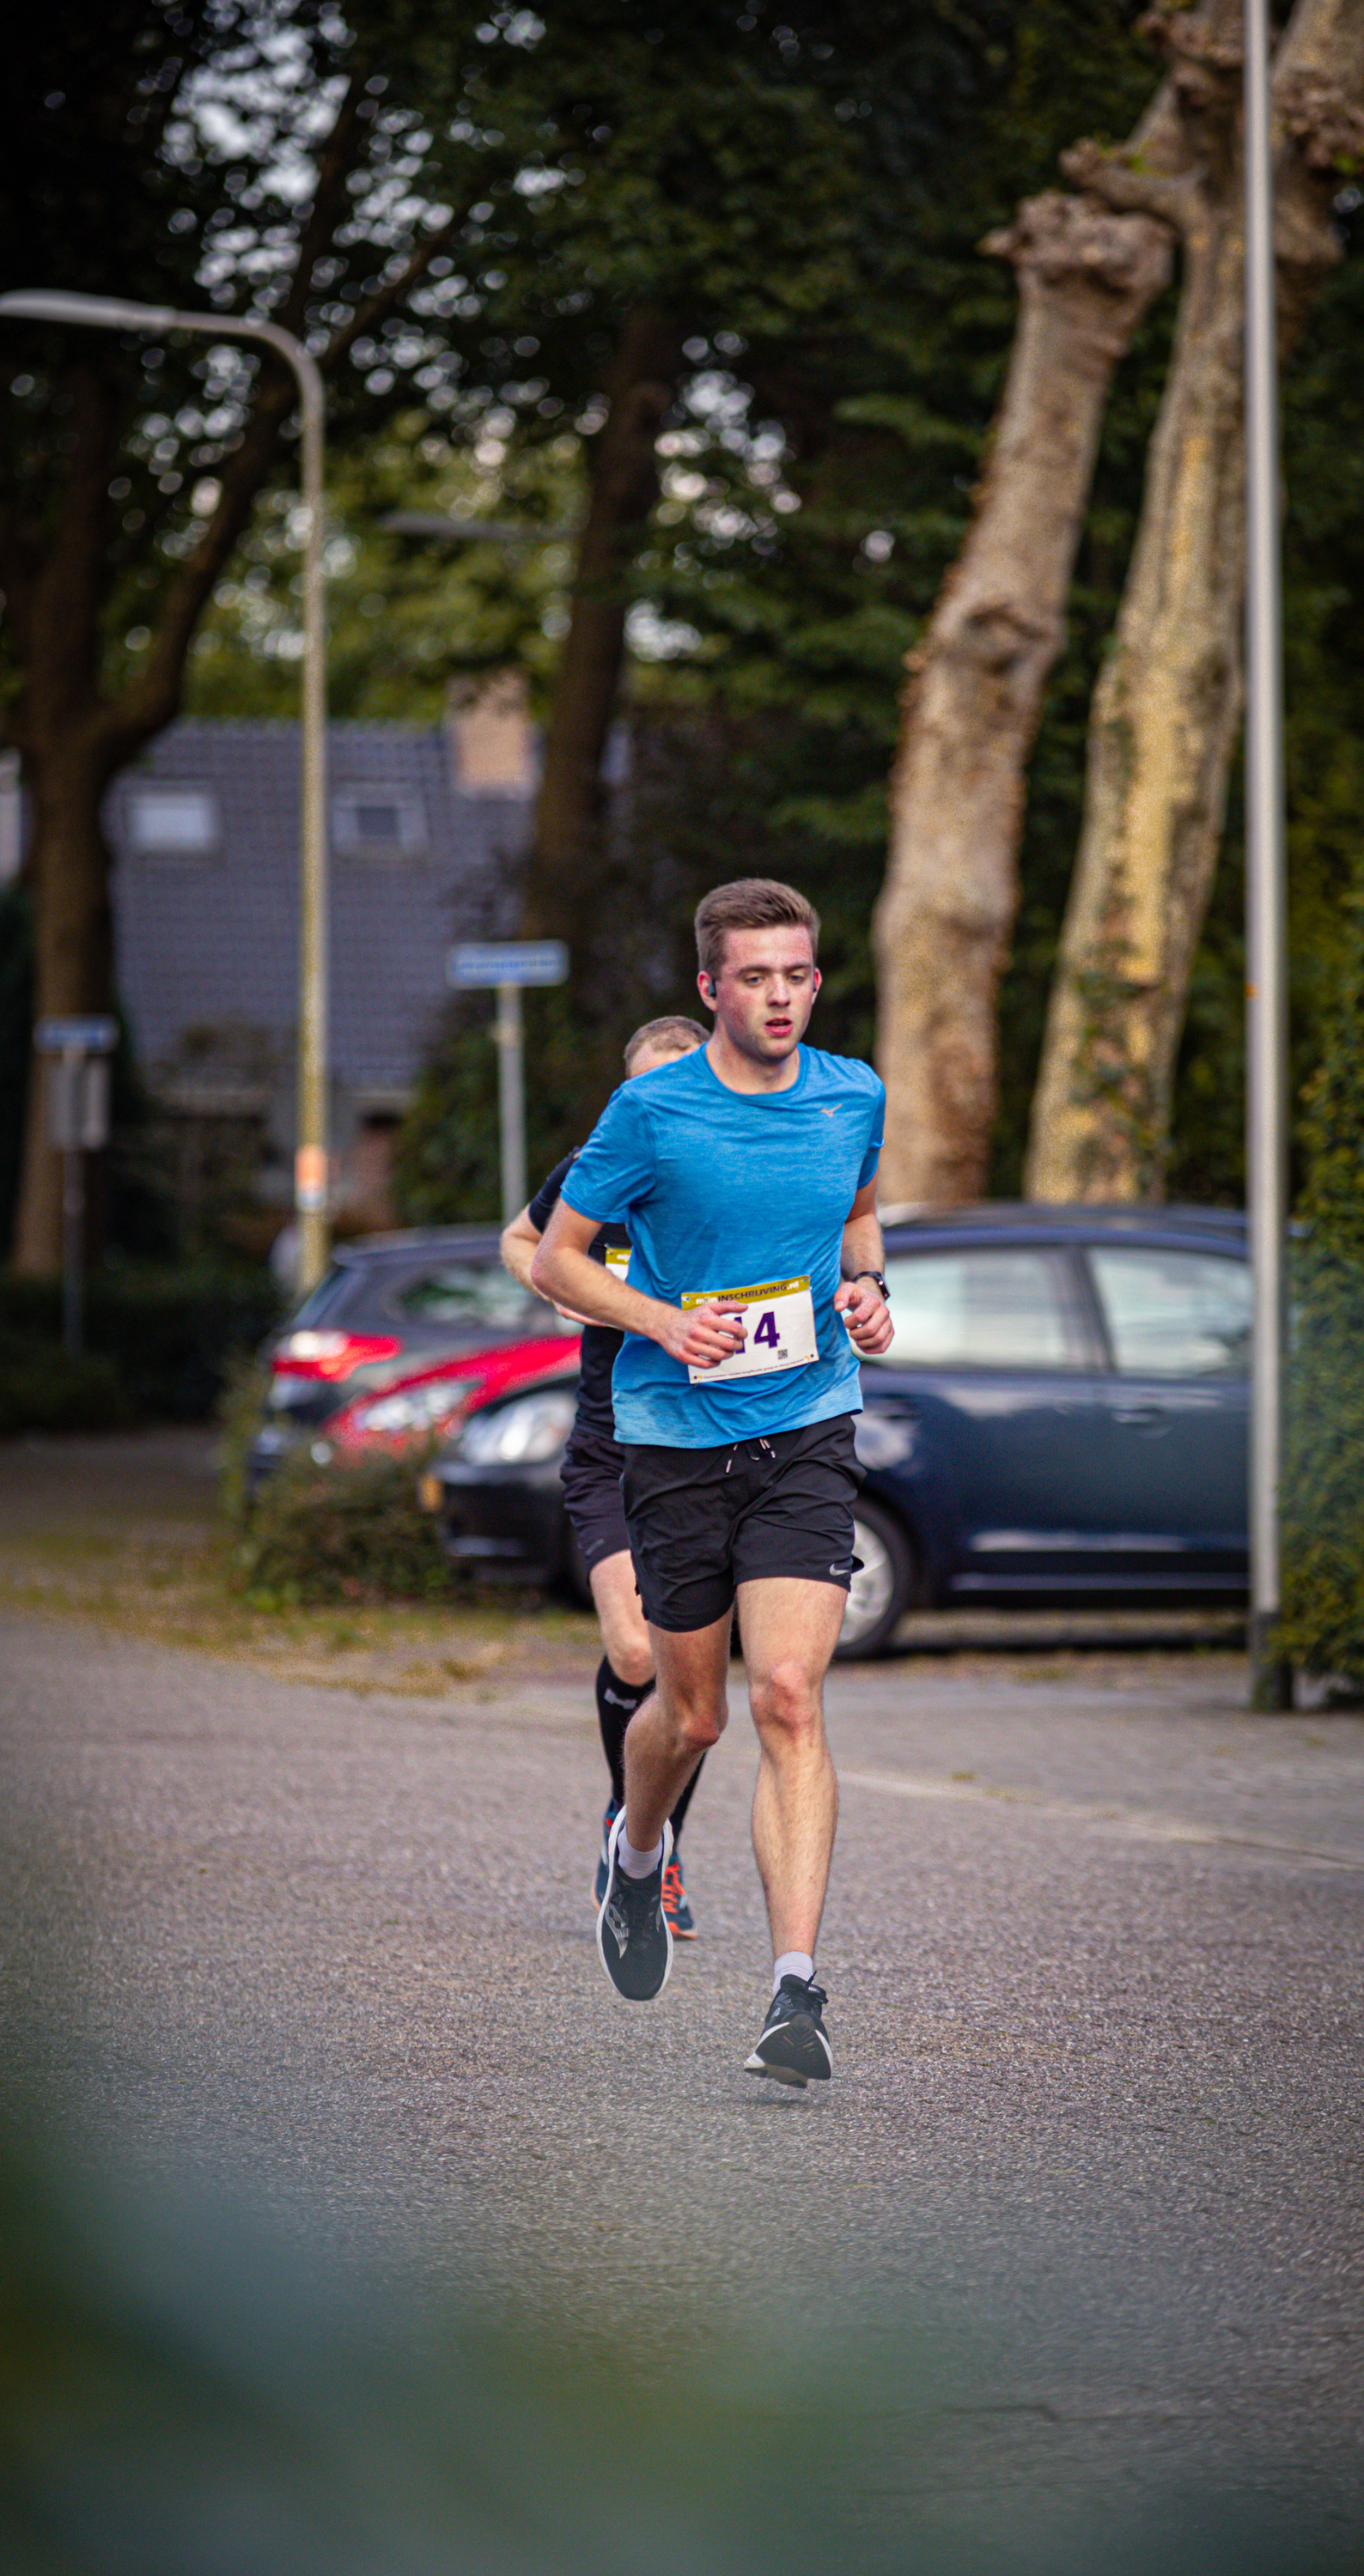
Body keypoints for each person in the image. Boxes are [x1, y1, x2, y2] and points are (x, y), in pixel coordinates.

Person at [531, 878, 892, 2087]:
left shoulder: (853, 1094)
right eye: (755, 978)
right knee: (691, 1714)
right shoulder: (650, 1112)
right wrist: (661, 1321)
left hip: (807, 1420)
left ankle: (797, 1991)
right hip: (674, 1437)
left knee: (789, 1693)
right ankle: (635, 1859)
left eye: (797, 976)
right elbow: (556, 1264)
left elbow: (858, 1211)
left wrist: (869, 1289)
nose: (780, 997)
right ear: (710, 987)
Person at [501, 1015, 710, 1942]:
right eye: (639, 1091)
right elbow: (522, 1239)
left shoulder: (735, 1174)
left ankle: (649, 1848)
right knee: (634, 1652)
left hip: (710, 1445)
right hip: (610, 1446)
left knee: (685, 1678)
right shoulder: (597, 1166)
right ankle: (630, 1833)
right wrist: (561, 1285)